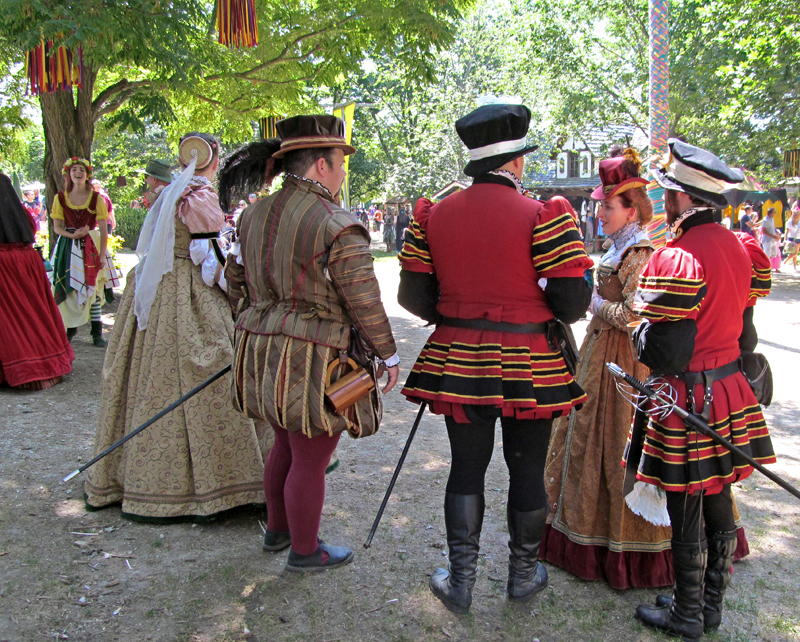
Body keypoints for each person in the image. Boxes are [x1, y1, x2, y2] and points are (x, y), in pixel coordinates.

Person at [398, 104, 593, 613]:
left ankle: (460, 581)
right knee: (526, 471)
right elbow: (572, 304)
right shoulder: (543, 215)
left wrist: (457, 310)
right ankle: (522, 577)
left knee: (466, 466)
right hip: (532, 362)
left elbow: (412, 297)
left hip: (461, 358)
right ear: (516, 163)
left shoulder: (433, 215)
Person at [217, 115, 400, 572]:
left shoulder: (253, 214)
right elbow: (363, 299)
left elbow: (233, 282)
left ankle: (278, 532)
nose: (342, 173)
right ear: (321, 165)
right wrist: (388, 353)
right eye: (340, 163)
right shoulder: (337, 222)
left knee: (285, 443)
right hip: (313, 356)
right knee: (312, 454)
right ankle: (304, 550)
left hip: (260, 348)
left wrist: (261, 316)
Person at [628, 139, 775, 640]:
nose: (664, 199)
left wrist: (636, 331)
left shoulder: (680, 255)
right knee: (719, 495)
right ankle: (708, 606)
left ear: (686, 199)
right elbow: (747, 333)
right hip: (730, 388)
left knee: (685, 502)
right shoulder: (742, 248)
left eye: (669, 193)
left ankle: (688, 614)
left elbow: (661, 352)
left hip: (688, 394)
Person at [84, 133, 269, 522]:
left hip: (156, 287)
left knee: (147, 377)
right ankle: (227, 483)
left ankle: (137, 476)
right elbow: (207, 255)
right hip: (187, 289)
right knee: (216, 368)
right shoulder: (198, 196)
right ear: (213, 159)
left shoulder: (174, 191)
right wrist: (239, 290)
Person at [0, 174, 74, 390]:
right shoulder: (19, 210)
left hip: (5, 264)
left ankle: (26, 367)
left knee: (12, 320)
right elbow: (30, 230)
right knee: (30, 313)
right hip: (25, 259)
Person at [50, 158, 114, 347]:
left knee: (93, 287)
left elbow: (103, 229)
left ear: (87, 175)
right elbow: (57, 227)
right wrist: (72, 235)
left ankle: (96, 332)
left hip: (91, 244)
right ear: (68, 174)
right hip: (67, 244)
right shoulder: (60, 198)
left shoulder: (97, 198)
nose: (78, 173)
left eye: (82, 170)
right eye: (74, 170)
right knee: (68, 284)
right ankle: (71, 328)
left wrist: (103, 255)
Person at [760, 207, 781, 271]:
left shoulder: (772, 219)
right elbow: (764, 231)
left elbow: (772, 228)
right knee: (767, 254)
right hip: (767, 240)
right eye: (774, 212)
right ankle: (765, 267)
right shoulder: (766, 220)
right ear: (771, 213)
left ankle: (767, 264)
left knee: (774, 253)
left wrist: (776, 232)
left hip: (772, 239)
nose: (775, 213)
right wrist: (773, 236)